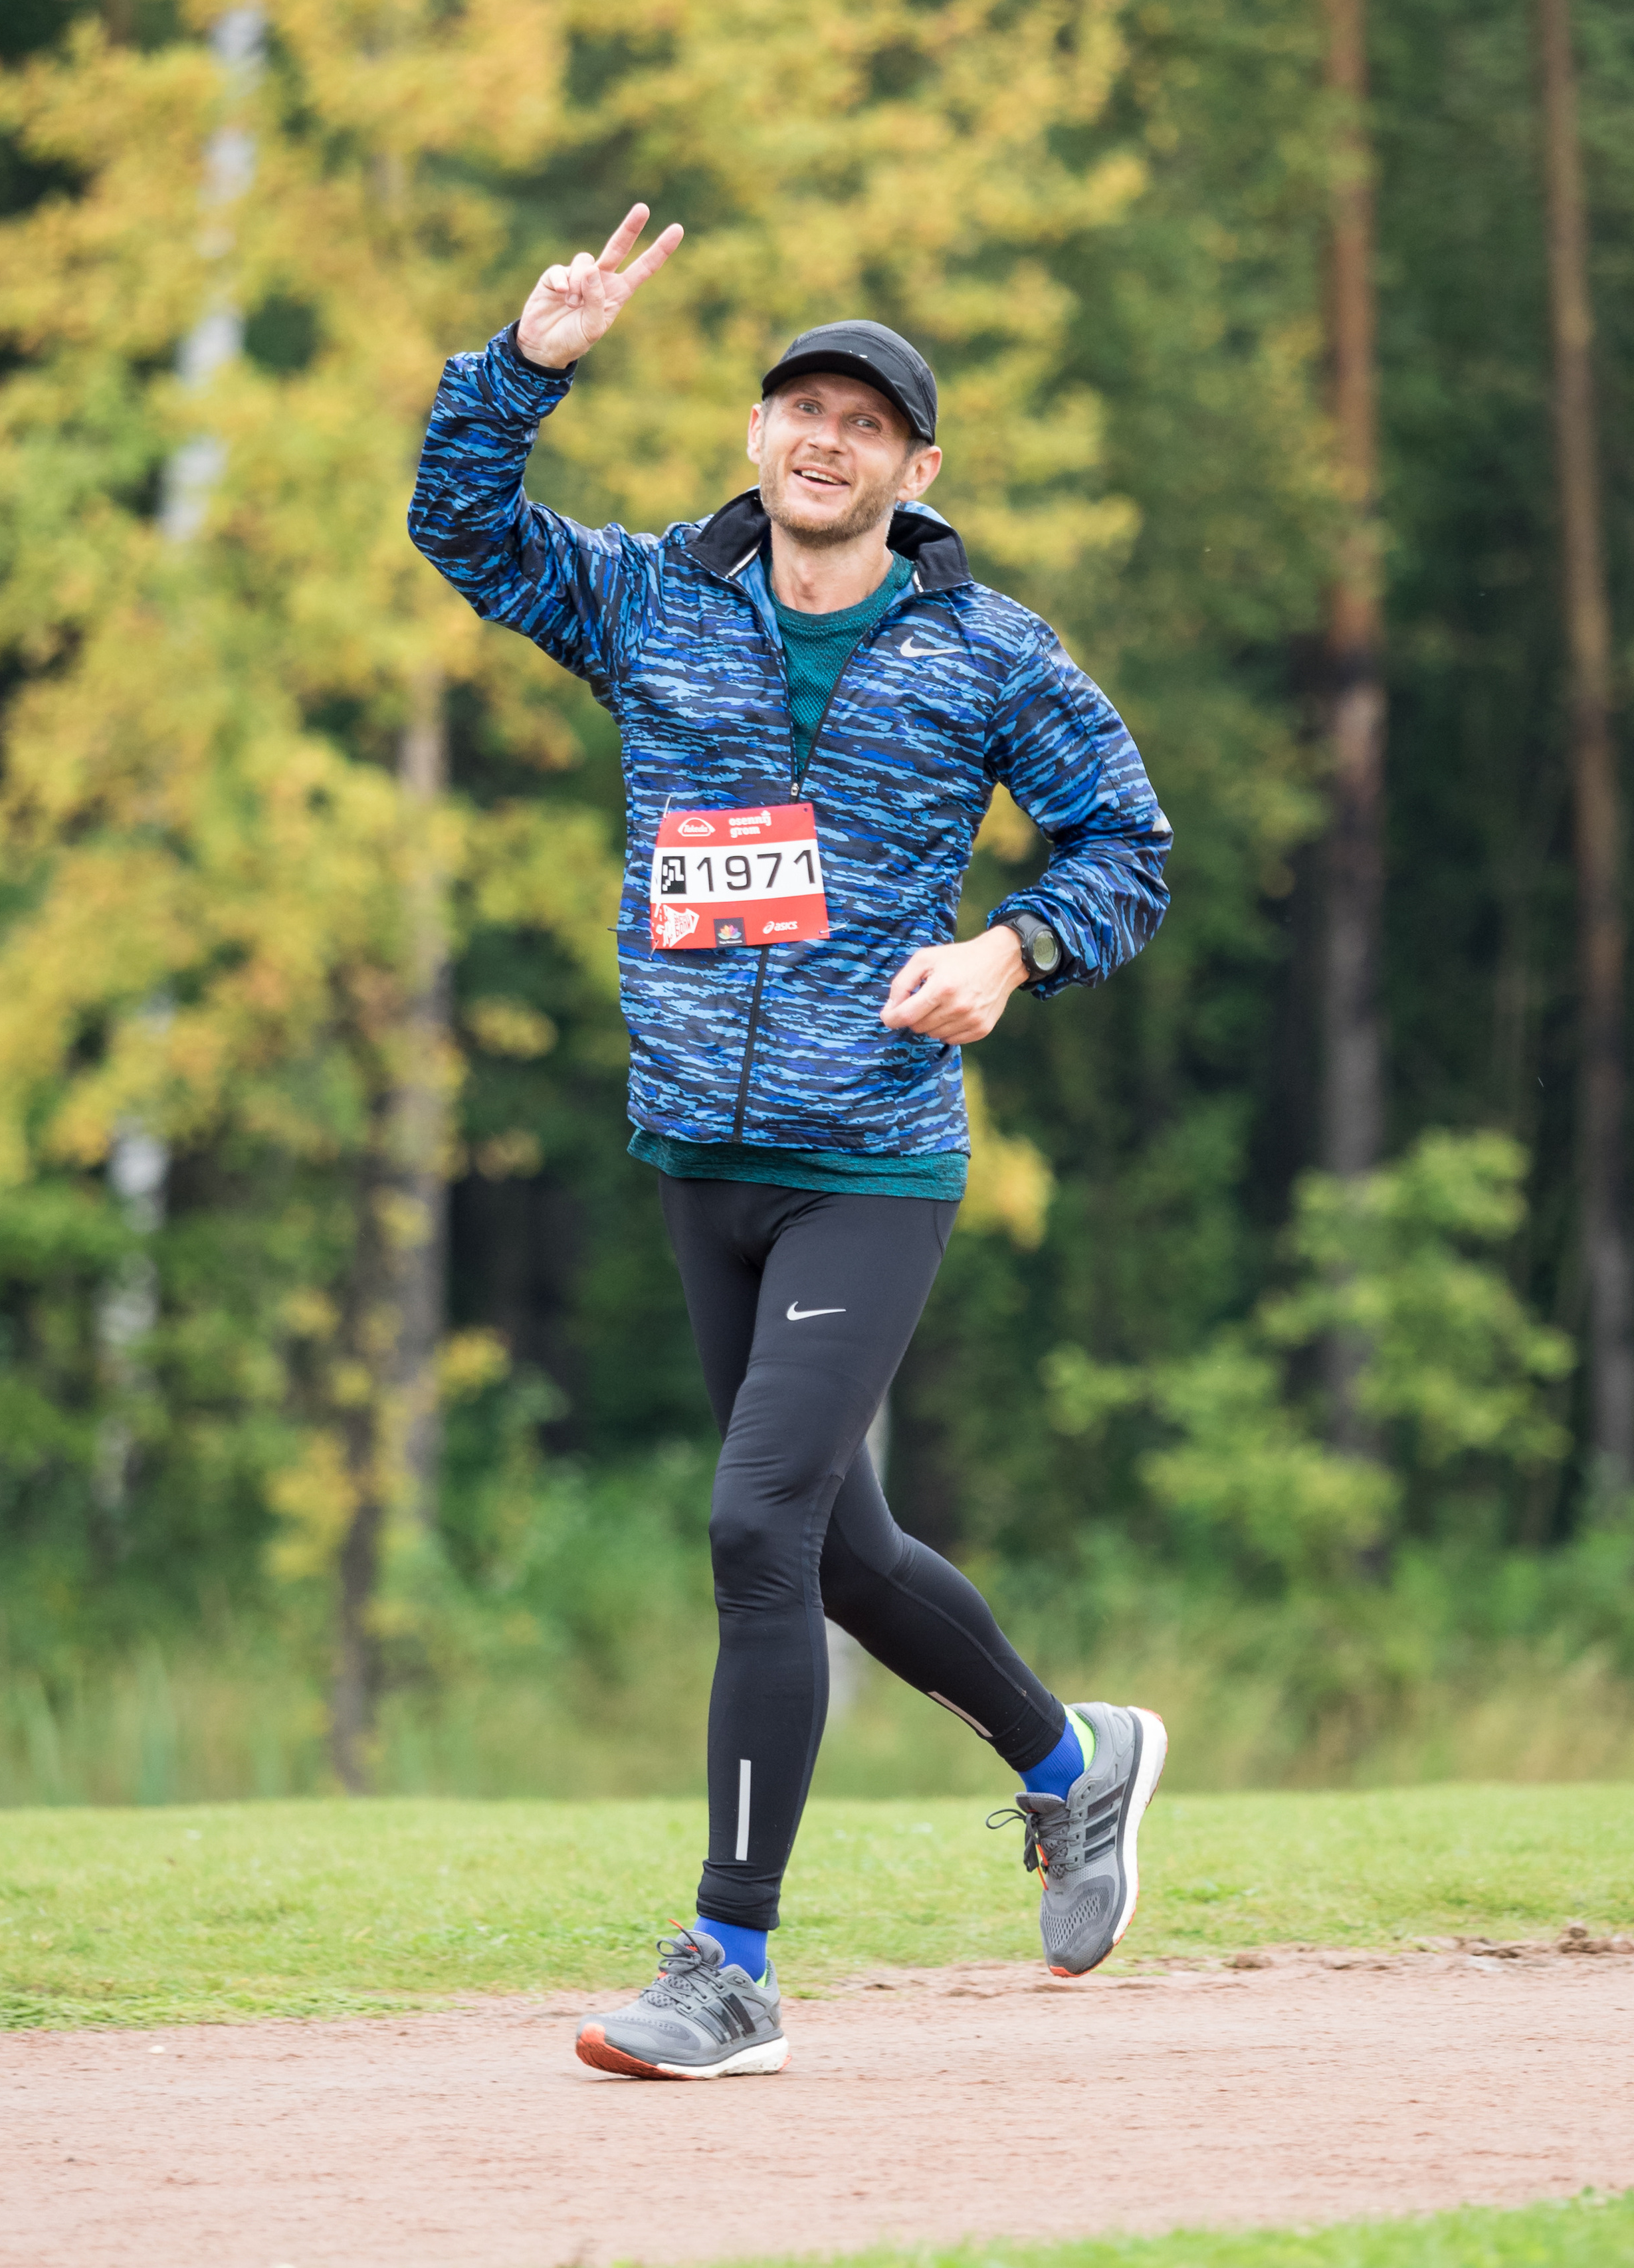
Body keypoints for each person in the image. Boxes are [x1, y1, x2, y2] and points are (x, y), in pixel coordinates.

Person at [409, 205, 1173, 2081]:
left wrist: (1012, 946)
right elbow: (463, 526)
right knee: (835, 1550)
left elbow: (1129, 852)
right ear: (757, 441)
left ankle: (729, 1964)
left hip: (874, 1158)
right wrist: (530, 362)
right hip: (696, 1146)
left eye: (862, 420)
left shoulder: (989, 654)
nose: (821, 439)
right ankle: (1079, 1766)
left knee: (755, 1523)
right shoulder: (651, 603)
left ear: (917, 469)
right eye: (794, 409)